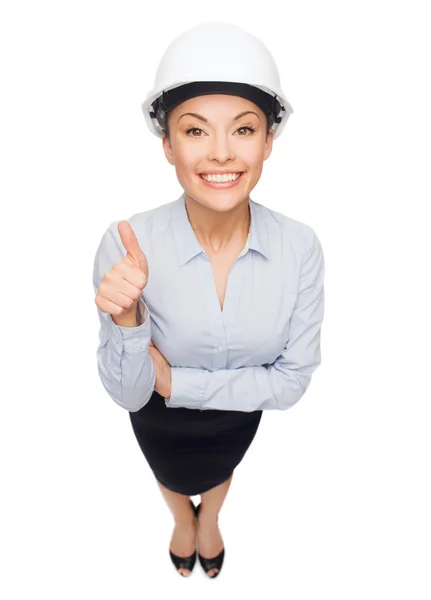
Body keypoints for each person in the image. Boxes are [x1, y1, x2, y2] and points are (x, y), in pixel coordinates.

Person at [92, 22, 325, 579]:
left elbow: (291, 384)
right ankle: (182, 521)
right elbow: (129, 395)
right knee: (169, 475)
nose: (221, 153)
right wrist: (126, 320)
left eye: (243, 129)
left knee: (221, 472)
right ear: (168, 144)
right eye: (196, 132)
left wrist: (175, 383)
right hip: (159, 423)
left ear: (269, 140)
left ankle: (211, 519)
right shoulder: (127, 243)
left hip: (235, 422)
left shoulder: (300, 247)